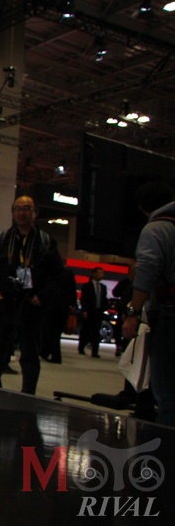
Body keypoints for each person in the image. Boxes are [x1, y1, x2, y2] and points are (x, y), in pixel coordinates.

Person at [0, 195, 64, 395]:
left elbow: (57, 275)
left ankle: (28, 395)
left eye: (27, 208)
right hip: (3, 303)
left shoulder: (45, 242)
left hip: (30, 305)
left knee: (30, 355)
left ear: (35, 213)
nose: (22, 213)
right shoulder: (2, 239)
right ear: (13, 212)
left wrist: (42, 296)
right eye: (18, 209)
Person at [122, 181, 175, 426]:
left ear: (142, 208)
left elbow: (147, 272)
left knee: (166, 392)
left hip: (169, 315)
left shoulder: (156, 229)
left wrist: (133, 312)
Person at [39, 267, 76, 364]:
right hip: (63, 307)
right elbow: (72, 289)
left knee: (49, 331)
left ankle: (52, 354)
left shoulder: (50, 271)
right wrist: (73, 304)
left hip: (51, 305)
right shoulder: (68, 273)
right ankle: (49, 353)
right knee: (56, 332)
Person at [77, 267, 108, 358]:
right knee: (85, 330)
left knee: (96, 332)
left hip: (98, 312)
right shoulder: (87, 286)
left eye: (102, 273)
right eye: (99, 273)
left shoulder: (103, 287)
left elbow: (104, 299)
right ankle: (81, 347)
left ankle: (95, 351)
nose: (101, 275)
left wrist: (104, 309)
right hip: (89, 311)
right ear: (93, 274)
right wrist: (84, 310)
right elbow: (83, 299)